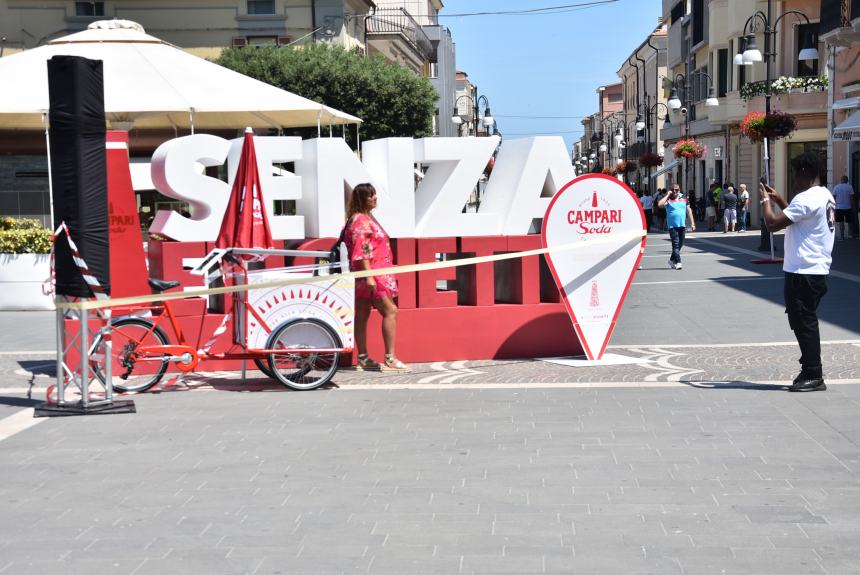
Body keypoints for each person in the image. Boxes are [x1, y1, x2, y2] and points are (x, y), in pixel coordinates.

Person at [760, 152, 835, 392]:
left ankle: (814, 373)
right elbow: (797, 219)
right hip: (814, 268)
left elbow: (772, 224)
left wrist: (765, 202)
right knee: (802, 319)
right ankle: (808, 368)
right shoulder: (824, 195)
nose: (794, 178)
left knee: (804, 322)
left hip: (804, 269)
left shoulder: (806, 198)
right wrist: (782, 200)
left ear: (805, 172)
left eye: (795, 173)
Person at [344, 183, 409, 372]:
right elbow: (362, 250)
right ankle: (390, 357)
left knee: (363, 314)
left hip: (367, 274)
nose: (375, 198)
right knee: (391, 311)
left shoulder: (359, 218)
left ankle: (363, 357)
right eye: (370, 196)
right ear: (361, 199)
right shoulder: (361, 221)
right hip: (373, 274)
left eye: (375, 195)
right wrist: (370, 277)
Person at [658, 183, 696, 269]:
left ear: (679, 190)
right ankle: (678, 262)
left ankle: (671, 260)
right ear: (670, 190)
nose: (675, 191)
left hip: (682, 225)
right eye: (673, 190)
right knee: (675, 244)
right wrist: (667, 195)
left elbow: (689, 211)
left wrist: (692, 223)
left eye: (677, 190)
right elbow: (659, 204)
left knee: (680, 244)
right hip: (672, 226)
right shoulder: (668, 200)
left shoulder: (684, 199)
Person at [832, 175, 855, 240]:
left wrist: (834, 206)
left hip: (839, 207)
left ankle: (842, 237)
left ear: (841, 180)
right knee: (850, 222)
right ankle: (850, 235)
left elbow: (833, 197)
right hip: (848, 207)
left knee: (841, 222)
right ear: (847, 180)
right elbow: (852, 198)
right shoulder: (850, 187)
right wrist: (853, 206)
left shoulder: (836, 187)